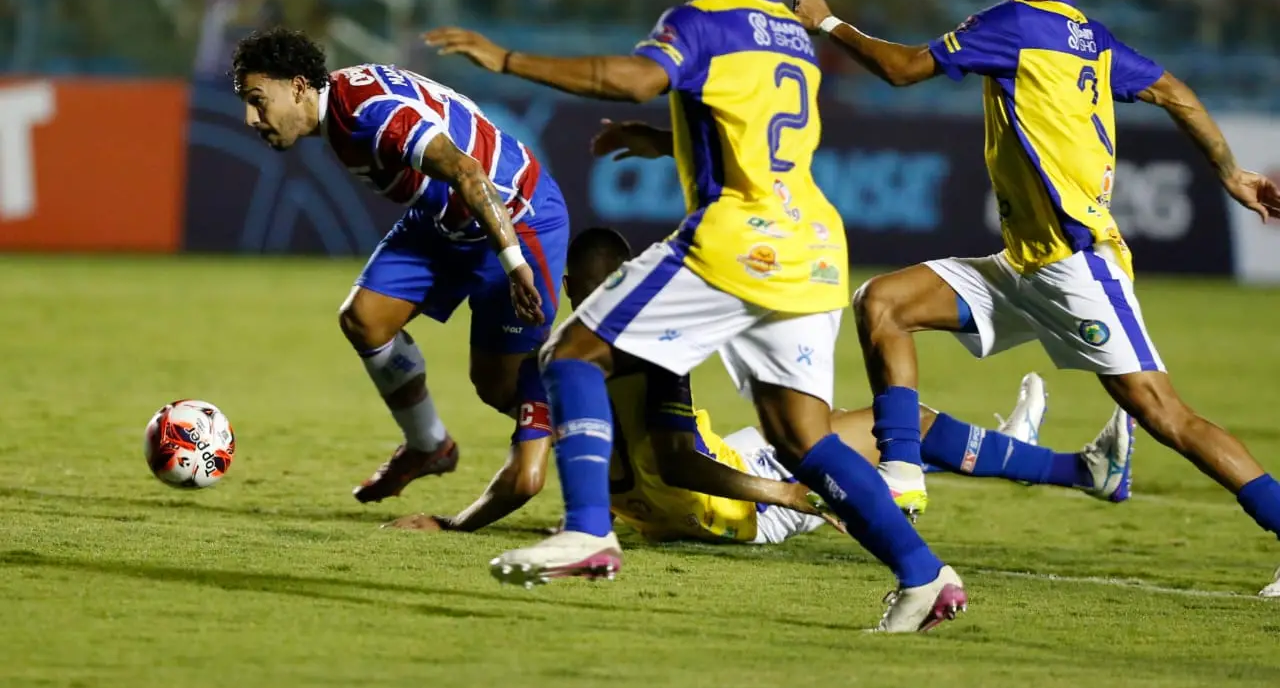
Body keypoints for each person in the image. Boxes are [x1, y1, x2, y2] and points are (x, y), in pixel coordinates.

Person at [427, 0, 968, 633]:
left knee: (572, 352)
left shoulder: (698, 19)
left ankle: (588, 530)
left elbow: (633, 78)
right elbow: (750, 123)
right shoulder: (794, 35)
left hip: (738, 239)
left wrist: (507, 57)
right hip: (813, 247)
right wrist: (664, 139)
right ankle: (924, 575)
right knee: (802, 439)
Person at [791, 0, 1280, 594]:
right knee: (884, 302)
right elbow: (1175, 91)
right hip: (1024, 264)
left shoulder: (1016, 23)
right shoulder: (1096, 41)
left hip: (1077, 267)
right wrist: (1230, 171)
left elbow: (902, 69)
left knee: (1167, 415)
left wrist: (828, 23)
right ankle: (902, 468)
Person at [389, 226, 1134, 544]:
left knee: (873, 428)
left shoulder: (557, 355)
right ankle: (1070, 466)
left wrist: (456, 524)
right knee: (893, 427)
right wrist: (785, 493)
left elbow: (523, 477)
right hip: (729, 504)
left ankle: (1040, 455)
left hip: (655, 504)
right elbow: (681, 459)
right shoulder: (651, 346)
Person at [229, 28, 568, 508]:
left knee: (498, 386)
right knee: (364, 318)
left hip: (516, 220)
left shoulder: (373, 115)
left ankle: (611, 445)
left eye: (257, 100)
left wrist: (514, 264)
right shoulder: (341, 106)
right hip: (443, 219)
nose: (250, 117)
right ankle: (430, 445)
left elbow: (469, 172)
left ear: (299, 86)